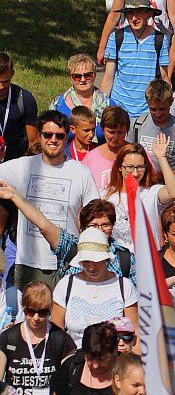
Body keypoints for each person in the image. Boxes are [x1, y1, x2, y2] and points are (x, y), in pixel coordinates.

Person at [0, 110, 100, 290]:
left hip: (67, 262)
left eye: (59, 136)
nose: (53, 140)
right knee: (31, 317)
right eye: (48, 134)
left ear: (66, 136)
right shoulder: (24, 166)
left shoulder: (81, 173)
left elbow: (95, 216)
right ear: (39, 136)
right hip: (29, 263)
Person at [0, 185, 136, 286]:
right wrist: (14, 196)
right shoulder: (70, 247)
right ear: (82, 228)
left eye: (105, 225)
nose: (99, 230)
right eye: (93, 226)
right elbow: (43, 225)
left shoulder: (125, 258)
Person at [51, 228, 138, 349]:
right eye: (86, 261)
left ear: (107, 259)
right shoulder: (66, 284)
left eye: (96, 261)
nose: (91, 267)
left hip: (112, 358)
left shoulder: (125, 286)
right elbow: (56, 332)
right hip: (75, 358)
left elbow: (135, 332)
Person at [100, 0, 171, 118]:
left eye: (139, 12)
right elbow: (108, 77)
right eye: (130, 13)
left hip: (147, 111)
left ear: (149, 14)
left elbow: (164, 77)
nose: (134, 18)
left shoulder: (160, 39)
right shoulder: (116, 37)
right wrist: (100, 109)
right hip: (119, 109)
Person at [103, 139, 175, 251]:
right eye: (129, 167)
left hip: (149, 261)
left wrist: (161, 158)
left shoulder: (151, 193)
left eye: (140, 167)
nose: (135, 173)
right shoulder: (106, 196)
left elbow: (174, 192)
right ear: (120, 167)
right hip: (120, 262)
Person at [129, 79, 175, 182]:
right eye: (153, 109)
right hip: (142, 187)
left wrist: (163, 175)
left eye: (162, 109)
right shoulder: (136, 125)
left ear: (171, 102)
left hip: (171, 189)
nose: (158, 114)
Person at [49, 54, 110, 143]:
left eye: (87, 75)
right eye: (77, 76)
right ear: (71, 78)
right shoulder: (58, 105)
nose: (83, 80)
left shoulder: (108, 104)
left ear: (94, 76)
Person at [83, 106, 131, 193]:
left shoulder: (137, 155)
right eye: (111, 132)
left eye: (120, 132)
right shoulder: (90, 158)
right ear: (102, 129)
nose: (115, 137)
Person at [0, 53, 38, 163]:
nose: (1, 87)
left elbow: (33, 142)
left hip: (16, 165)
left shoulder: (25, 99)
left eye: (5, 81)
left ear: (12, 74)